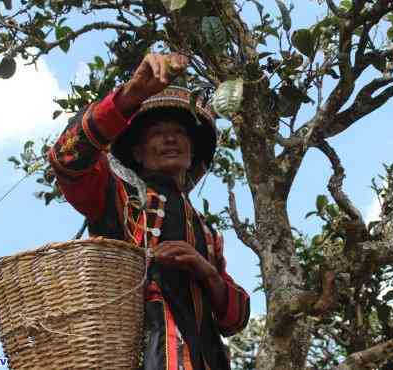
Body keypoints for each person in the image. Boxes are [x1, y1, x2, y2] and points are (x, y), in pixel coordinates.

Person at [49, 53, 250, 370]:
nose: (171, 138)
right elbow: (66, 158)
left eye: (181, 132)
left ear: (192, 149)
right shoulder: (115, 194)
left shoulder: (207, 234)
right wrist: (131, 95)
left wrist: (206, 271)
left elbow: (236, 319)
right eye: (157, 132)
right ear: (138, 152)